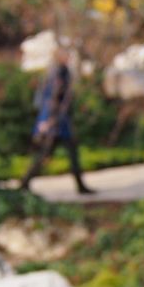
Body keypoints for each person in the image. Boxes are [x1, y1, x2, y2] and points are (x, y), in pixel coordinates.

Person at [21, 49, 93, 194]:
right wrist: (47, 120)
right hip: (56, 123)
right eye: (66, 55)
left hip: (60, 122)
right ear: (60, 57)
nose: (69, 57)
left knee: (68, 153)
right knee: (45, 154)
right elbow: (52, 99)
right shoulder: (58, 74)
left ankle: (80, 186)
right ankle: (25, 183)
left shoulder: (61, 72)